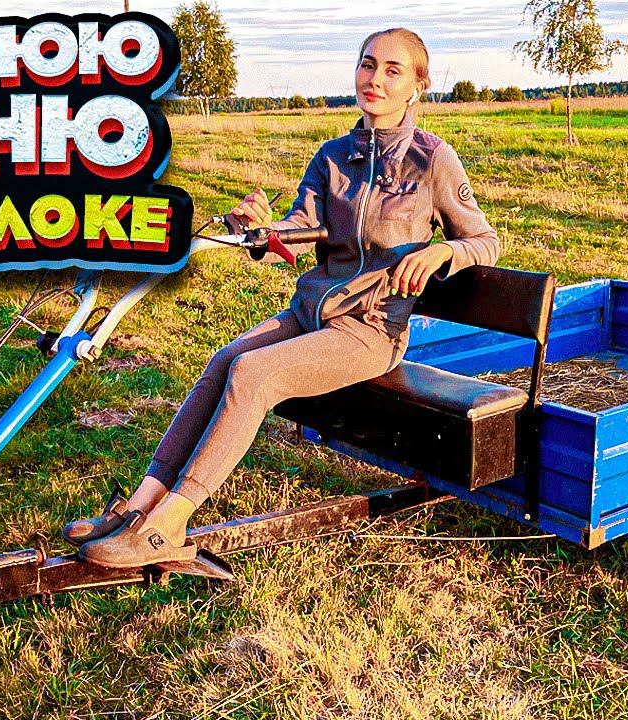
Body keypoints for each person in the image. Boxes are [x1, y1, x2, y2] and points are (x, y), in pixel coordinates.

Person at [71, 27, 500, 567]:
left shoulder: (431, 160)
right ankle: (140, 505)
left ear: (417, 87)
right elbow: (298, 232)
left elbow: (484, 240)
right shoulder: (334, 156)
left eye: (393, 70)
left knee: (253, 373)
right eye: (368, 64)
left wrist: (441, 253)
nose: (374, 78)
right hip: (310, 313)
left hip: (370, 330)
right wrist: (258, 228)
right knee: (224, 360)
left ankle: (168, 525)